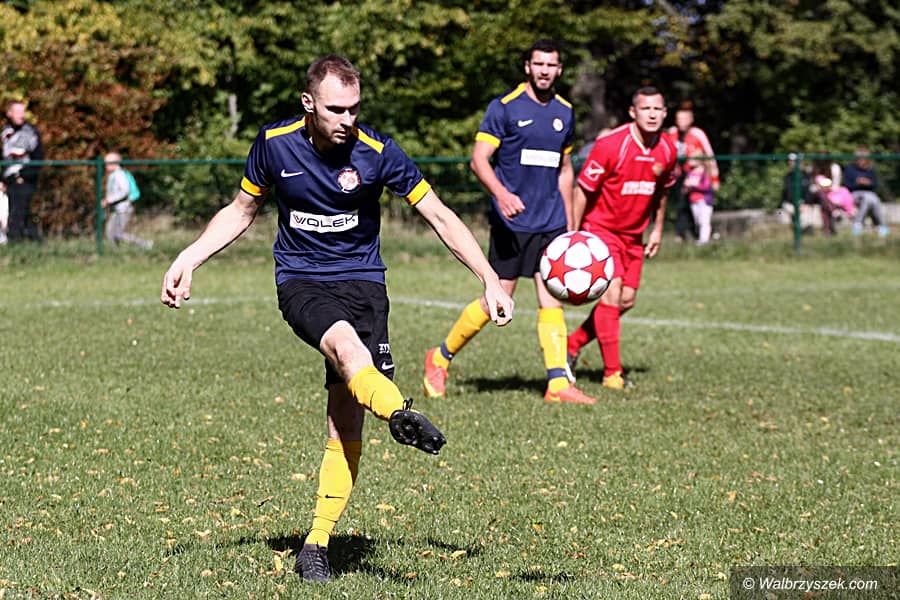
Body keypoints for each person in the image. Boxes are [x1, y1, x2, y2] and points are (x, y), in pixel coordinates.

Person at [160, 55, 514, 584]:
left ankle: (316, 545)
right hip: (302, 281)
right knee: (349, 352)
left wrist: (489, 278)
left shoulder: (378, 152)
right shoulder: (274, 144)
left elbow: (439, 214)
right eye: (336, 110)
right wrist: (189, 257)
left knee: (344, 420)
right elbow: (240, 210)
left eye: (354, 108)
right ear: (309, 104)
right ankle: (399, 413)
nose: (347, 119)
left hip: (365, 286)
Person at [422, 39, 596, 405]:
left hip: (551, 222)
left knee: (552, 299)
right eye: (539, 64)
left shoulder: (565, 112)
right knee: (498, 300)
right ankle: (439, 358)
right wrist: (501, 194)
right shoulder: (504, 107)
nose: (545, 70)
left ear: (559, 70)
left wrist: (571, 225)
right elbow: (479, 160)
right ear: (527, 67)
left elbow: (565, 170)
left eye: (551, 65)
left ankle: (557, 383)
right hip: (512, 223)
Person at [566, 86, 677, 389]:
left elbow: (662, 192)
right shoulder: (611, 145)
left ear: (665, 113)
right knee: (612, 295)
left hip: (634, 235)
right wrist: (574, 235)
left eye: (657, 109)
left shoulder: (668, 149)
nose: (652, 115)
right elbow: (581, 190)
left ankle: (572, 344)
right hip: (601, 230)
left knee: (626, 300)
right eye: (645, 109)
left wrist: (657, 228)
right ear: (633, 112)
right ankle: (612, 374)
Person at [666, 102, 718, 242]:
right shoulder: (672, 133)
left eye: (684, 119)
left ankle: (698, 234)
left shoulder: (697, 134)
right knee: (681, 203)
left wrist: (714, 177)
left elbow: (709, 155)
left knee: (698, 205)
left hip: (695, 175)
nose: (681, 122)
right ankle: (681, 233)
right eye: (679, 119)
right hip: (678, 175)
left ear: (691, 119)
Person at [1, 100, 44, 242]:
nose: (21, 115)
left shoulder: (31, 133)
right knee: (19, 214)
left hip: (24, 180)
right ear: (9, 113)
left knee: (18, 213)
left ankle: (15, 243)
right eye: (17, 112)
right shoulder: (5, 132)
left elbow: (38, 157)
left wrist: (24, 176)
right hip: (9, 180)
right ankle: (35, 241)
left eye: (23, 112)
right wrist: (2, 179)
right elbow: (3, 157)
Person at [101, 152, 153, 249]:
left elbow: (124, 191)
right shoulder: (114, 175)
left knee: (119, 233)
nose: (105, 165)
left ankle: (145, 244)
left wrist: (109, 200)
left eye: (107, 163)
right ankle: (115, 252)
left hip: (123, 208)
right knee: (110, 231)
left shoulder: (119, 174)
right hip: (117, 209)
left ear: (115, 163)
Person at [843, 146, 889, 237]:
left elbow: (875, 184)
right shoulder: (850, 169)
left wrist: (868, 183)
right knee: (873, 199)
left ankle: (858, 224)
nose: (862, 161)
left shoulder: (871, 169)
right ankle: (881, 225)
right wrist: (858, 182)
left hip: (869, 194)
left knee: (870, 199)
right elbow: (846, 185)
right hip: (855, 193)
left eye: (864, 158)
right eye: (860, 158)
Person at [681, 150, 714, 245]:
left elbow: (707, 187)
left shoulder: (704, 172)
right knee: (698, 221)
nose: (689, 161)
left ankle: (704, 241)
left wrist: (694, 186)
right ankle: (700, 238)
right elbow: (686, 188)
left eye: (691, 159)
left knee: (704, 221)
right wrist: (686, 187)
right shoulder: (690, 173)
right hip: (693, 200)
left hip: (704, 200)